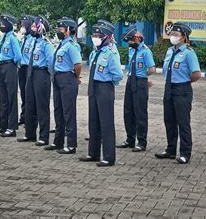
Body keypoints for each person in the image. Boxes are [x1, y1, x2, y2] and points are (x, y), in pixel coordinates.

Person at [155, 22, 201, 164]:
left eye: (176, 35)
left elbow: (197, 74)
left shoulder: (188, 53)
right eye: (172, 34)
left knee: (183, 122)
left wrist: (185, 82)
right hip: (169, 88)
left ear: (183, 38)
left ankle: (185, 153)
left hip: (182, 90)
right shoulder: (170, 51)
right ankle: (170, 149)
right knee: (169, 120)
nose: (173, 36)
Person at [80, 24, 123, 167]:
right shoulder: (94, 53)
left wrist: (109, 84)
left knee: (106, 123)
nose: (95, 38)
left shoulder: (110, 53)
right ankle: (93, 153)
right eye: (94, 36)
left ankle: (109, 157)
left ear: (106, 38)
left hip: (105, 88)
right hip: (93, 87)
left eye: (98, 36)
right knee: (93, 121)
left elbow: (118, 74)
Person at [44, 17, 82, 154]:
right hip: (58, 78)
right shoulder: (61, 45)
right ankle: (58, 142)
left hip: (67, 78)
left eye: (61, 29)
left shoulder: (71, 46)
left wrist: (76, 77)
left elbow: (77, 64)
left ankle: (71, 145)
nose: (58, 31)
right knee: (58, 111)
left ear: (68, 30)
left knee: (68, 113)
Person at [117, 26, 155, 152]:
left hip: (140, 82)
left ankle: (142, 142)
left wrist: (143, 78)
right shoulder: (132, 50)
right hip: (130, 80)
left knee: (140, 113)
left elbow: (151, 69)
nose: (128, 43)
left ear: (136, 39)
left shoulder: (145, 51)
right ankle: (130, 139)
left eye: (130, 41)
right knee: (128, 111)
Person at [17, 15, 54, 146]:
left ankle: (43, 137)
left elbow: (51, 62)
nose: (32, 28)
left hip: (42, 74)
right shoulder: (33, 41)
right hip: (31, 72)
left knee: (41, 106)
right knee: (30, 103)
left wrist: (49, 76)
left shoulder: (46, 44)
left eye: (34, 26)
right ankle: (29, 134)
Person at [0, 14, 22, 137]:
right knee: (3, 98)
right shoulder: (4, 37)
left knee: (11, 97)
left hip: (9, 67)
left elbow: (18, 56)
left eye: (3, 24)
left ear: (9, 25)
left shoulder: (13, 38)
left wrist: (11, 64)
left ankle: (11, 128)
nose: (1, 26)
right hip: (2, 67)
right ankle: (2, 125)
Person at [17, 15, 36, 126]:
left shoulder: (32, 39)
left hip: (29, 68)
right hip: (21, 68)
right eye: (21, 25)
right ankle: (23, 116)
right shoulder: (23, 38)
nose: (22, 27)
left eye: (24, 25)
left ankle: (29, 117)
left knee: (29, 94)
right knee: (23, 94)